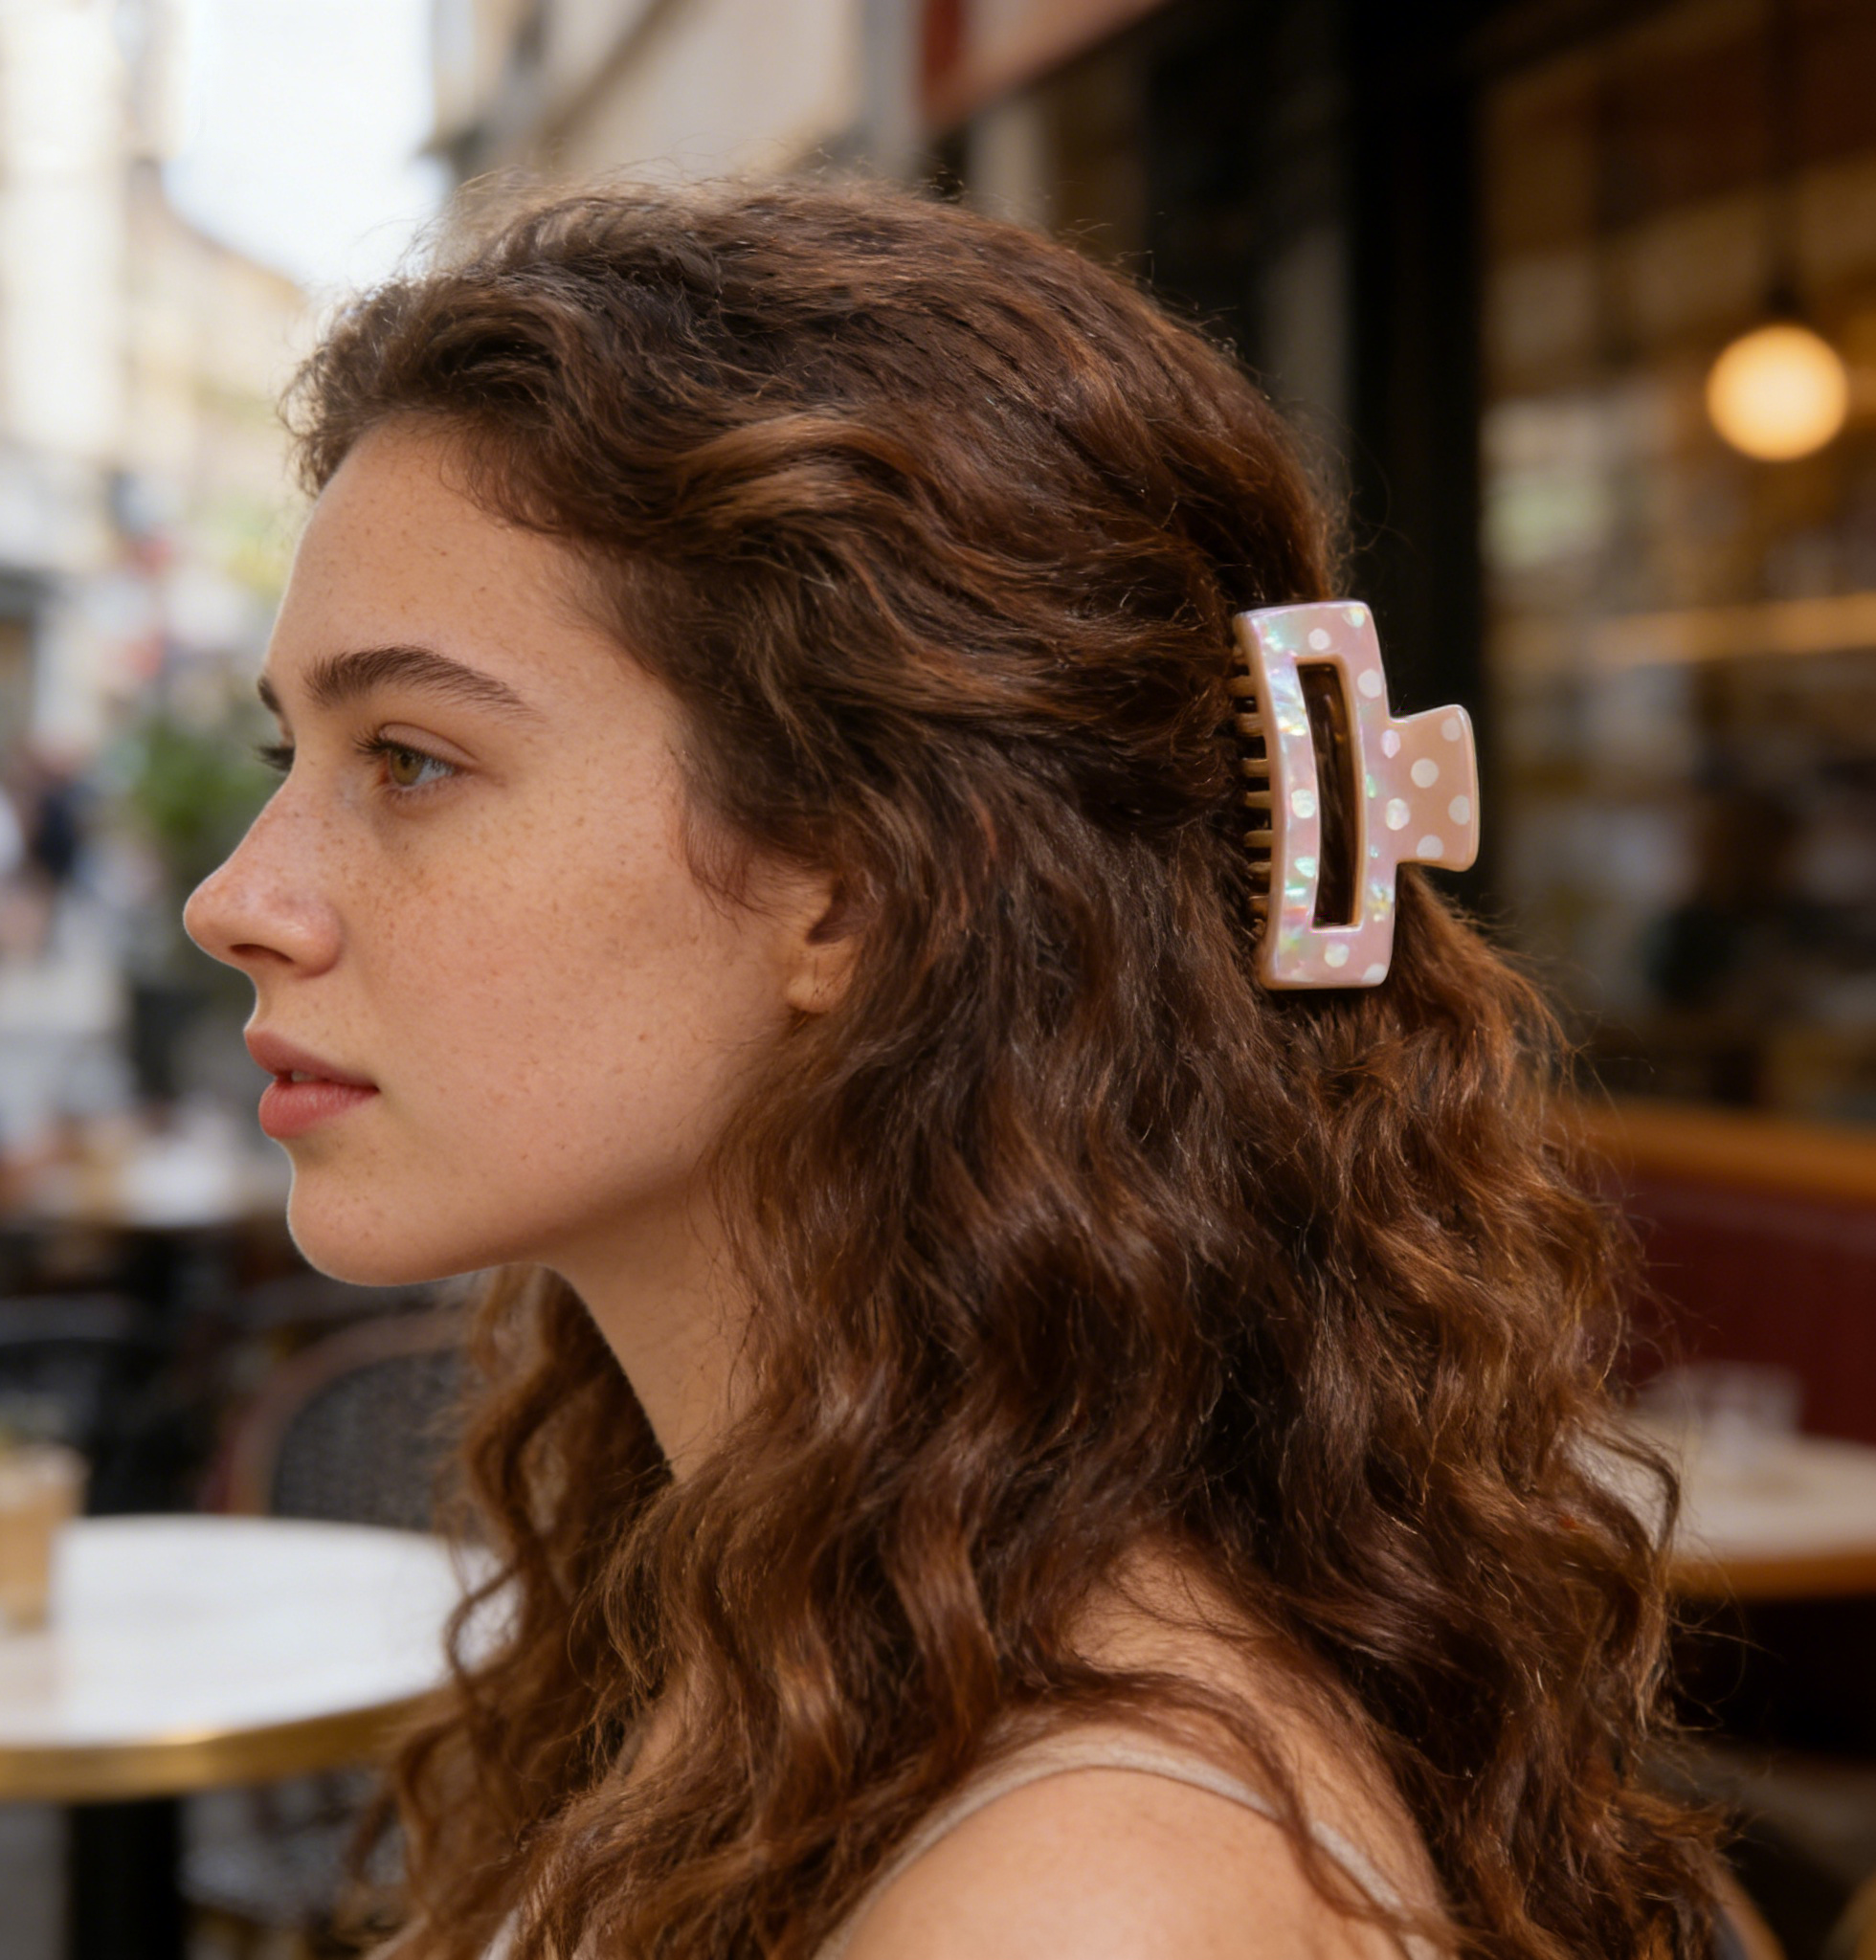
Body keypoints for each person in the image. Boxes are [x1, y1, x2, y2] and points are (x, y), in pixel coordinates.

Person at [184, 183, 1718, 1960]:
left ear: (859, 886)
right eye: (292, 757)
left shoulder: (1084, 1898)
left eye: (411, 760)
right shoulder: (804, 1625)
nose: (237, 901)